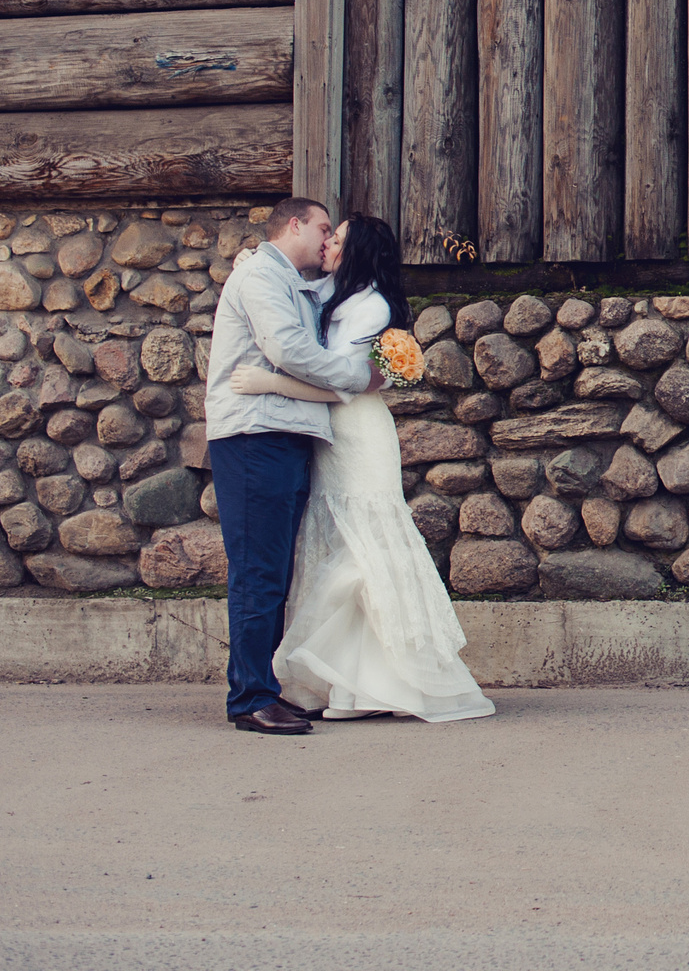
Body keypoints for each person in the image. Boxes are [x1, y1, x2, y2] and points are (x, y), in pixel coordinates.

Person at [231, 213, 495, 724]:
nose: (327, 243)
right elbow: (289, 284)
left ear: (358, 250)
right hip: (332, 437)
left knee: (365, 555)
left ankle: (390, 681)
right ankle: (351, 689)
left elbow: (347, 382)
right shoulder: (335, 291)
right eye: (327, 235)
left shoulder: (371, 305)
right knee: (344, 547)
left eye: (338, 239)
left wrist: (273, 386)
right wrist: (251, 261)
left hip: (358, 434)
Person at [204, 198, 388, 735]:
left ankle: (262, 689)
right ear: (295, 225)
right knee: (259, 572)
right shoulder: (262, 276)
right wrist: (360, 377)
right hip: (253, 434)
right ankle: (250, 699)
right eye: (323, 228)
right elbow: (286, 348)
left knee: (274, 571)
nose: (328, 240)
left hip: (280, 434)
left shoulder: (290, 280)